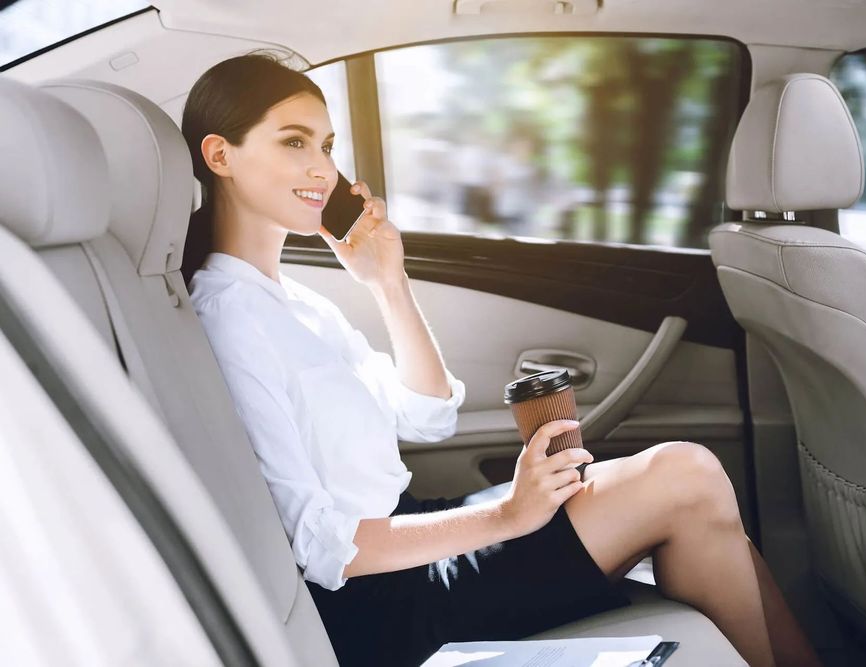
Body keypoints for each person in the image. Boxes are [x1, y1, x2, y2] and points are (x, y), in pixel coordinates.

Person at [181, 54, 821, 667]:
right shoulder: (228, 315)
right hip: (381, 602)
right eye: (294, 142)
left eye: (325, 146)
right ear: (220, 155)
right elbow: (323, 548)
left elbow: (429, 416)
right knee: (687, 475)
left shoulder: (296, 302)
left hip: (415, 534)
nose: (322, 168)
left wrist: (388, 285)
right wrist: (509, 514)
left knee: (701, 499)